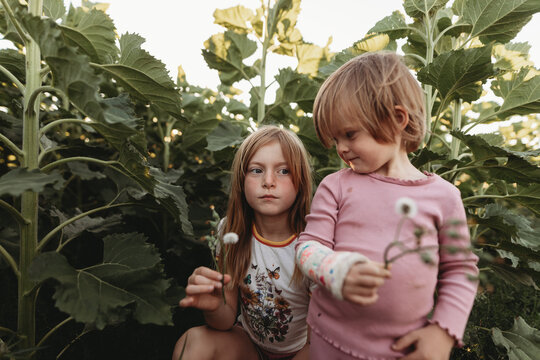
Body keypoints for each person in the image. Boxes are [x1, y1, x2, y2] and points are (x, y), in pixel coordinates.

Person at [295, 51, 479, 360]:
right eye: (336, 138)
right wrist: (337, 270)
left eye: (349, 134)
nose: (341, 148)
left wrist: (443, 332)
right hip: (329, 340)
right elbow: (307, 247)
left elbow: (461, 269)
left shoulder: (444, 197)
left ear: (396, 119)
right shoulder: (337, 185)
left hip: (400, 350)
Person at [172, 125, 313, 360]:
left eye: (284, 171)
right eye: (256, 170)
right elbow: (225, 319)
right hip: (249, 347)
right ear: (241, 179)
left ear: (301, 181)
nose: (268, 181)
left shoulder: (313, 244)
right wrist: (215, 305)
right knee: (193, 342)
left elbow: (319, 341)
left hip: (305, 351)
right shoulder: (230, 233)